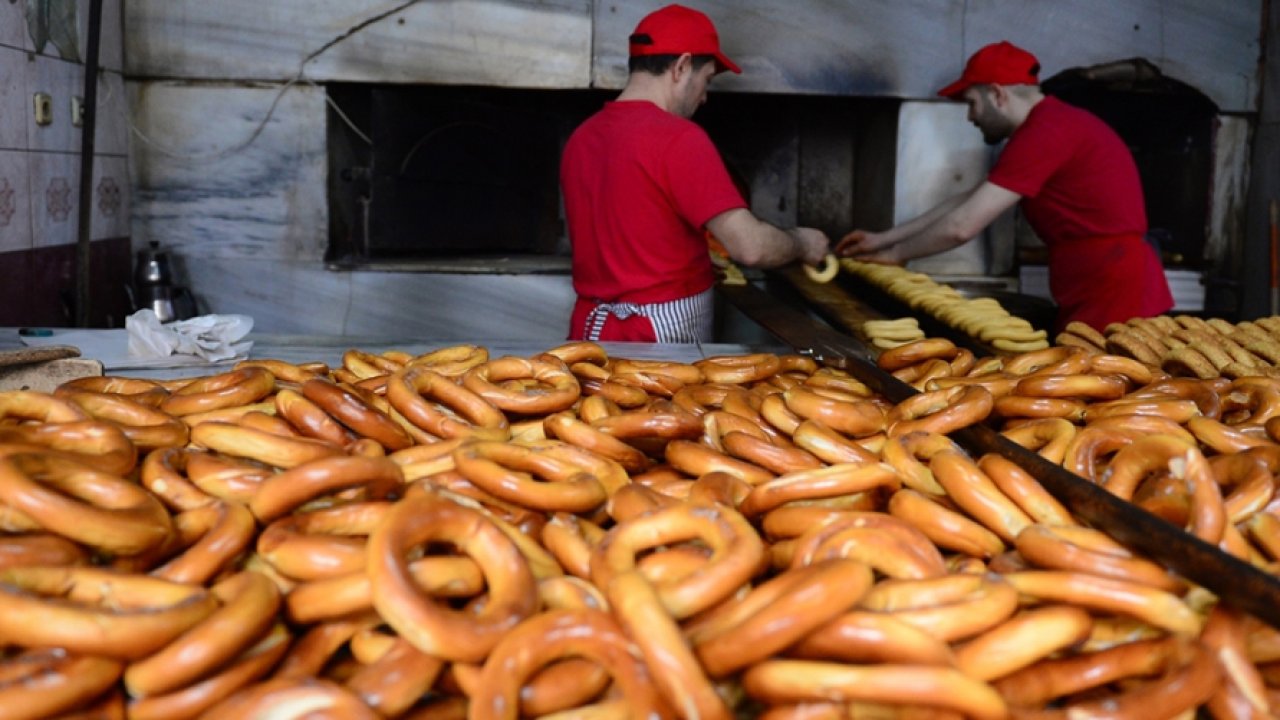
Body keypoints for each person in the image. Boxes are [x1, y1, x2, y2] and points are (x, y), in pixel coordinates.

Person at [835, 41, 1173, 333]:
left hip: (1113, 287)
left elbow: (961, 227)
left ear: (997, 94)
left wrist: (895, 256)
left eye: (972, 103)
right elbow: (968, 201)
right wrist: (884, 239)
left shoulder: (1047, 132)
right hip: (1100, 280)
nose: (970, 116)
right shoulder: (1047, 126)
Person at [561, 3, 832, 343]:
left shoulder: (583, 136)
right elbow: (750, 248)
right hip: (657, 343)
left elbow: (629, 237)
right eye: (706, 80)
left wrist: (690, 262)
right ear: (682, 66)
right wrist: (801, 243)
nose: (704, 98)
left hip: (588, 334)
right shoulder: (680, 139)